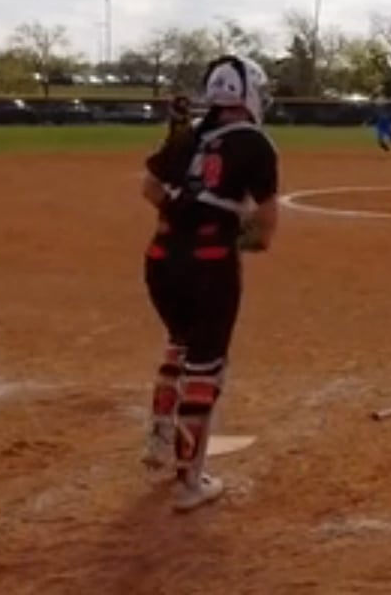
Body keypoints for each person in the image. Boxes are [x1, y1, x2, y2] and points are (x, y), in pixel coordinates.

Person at [139, 55, 280, 513]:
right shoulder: (255, 143)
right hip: (209, 263)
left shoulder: (188, 135)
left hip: (161, 259)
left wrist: (183, 211)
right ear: (248, 94)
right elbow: (265, 225)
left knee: (178, 346)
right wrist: (241, 235)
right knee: (205, 366)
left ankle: (160, 442)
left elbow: (150, 188)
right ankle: (189, 482)